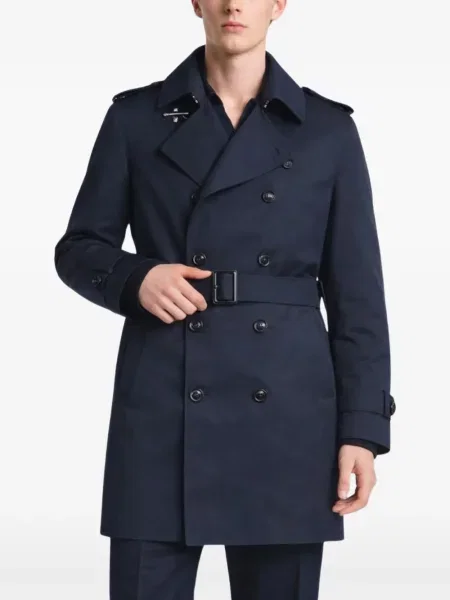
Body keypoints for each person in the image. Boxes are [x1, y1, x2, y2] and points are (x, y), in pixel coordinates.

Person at [54, 1, 396, 598]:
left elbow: (358, 297)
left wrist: (362, 431)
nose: (235, 4)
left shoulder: (327, 130)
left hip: (288, 415)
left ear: (278, 5)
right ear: (196, 2)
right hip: (163, 403)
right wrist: (136, 277)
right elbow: (78, 248)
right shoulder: (136, 119)